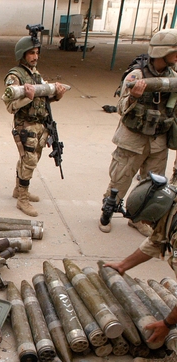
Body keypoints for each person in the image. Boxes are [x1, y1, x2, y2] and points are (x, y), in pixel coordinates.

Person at [99, 29, 177, 237]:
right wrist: (134, 97)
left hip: (158, 139)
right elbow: (121, 108)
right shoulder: (137, 76)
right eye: (175, 51)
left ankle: (140, 218)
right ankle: (107, 213)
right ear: (163, 52)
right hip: (133, 139)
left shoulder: (173, 77)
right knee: (120, 179)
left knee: (153, 184)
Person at [104, 173, 177, 362]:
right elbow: (156, 241)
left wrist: (167, 324)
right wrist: (123, 265)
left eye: (145, 219)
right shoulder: (171, 206)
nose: (144, 223)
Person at [2, 33, 67, 217]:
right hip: (26, 126)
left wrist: (56, 95)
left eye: (37, 52)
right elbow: (10, 106)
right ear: (22, 54)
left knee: (30, 159)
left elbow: (42, 100)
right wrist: (26, 98)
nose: (35, 56)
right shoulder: (15, 76)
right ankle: (22, 199)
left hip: (40, 125)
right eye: (31, 53)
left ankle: (19, 189)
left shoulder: (35, 75)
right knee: (29, 161)